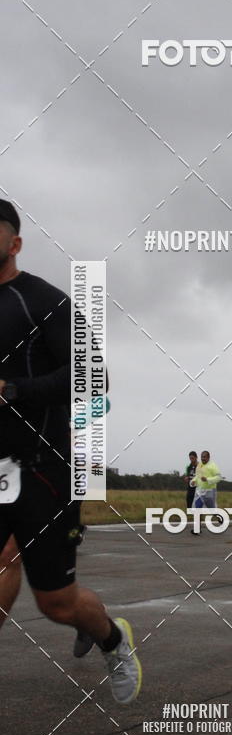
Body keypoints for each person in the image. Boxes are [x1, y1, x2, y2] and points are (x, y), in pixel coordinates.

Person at [0, 200, 140, 703]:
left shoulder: (42, 302)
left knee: (56, 603)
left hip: (42, 471)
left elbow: (93, 376)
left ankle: (111, 637)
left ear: (14, 243)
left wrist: (12, 390)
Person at [191, 450, 221, 533]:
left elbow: (219, 477)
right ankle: (197, 529)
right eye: (202, 457)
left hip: (210, 491)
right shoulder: (199, 465)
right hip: (200, 491)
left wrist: (207, 479)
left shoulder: (213, 466)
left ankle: (219, 517)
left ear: (208, 457)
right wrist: (193, 481)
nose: (203, 458)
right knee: (197, 508)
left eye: (204, 457)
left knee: (212, 509)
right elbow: (197, 476)